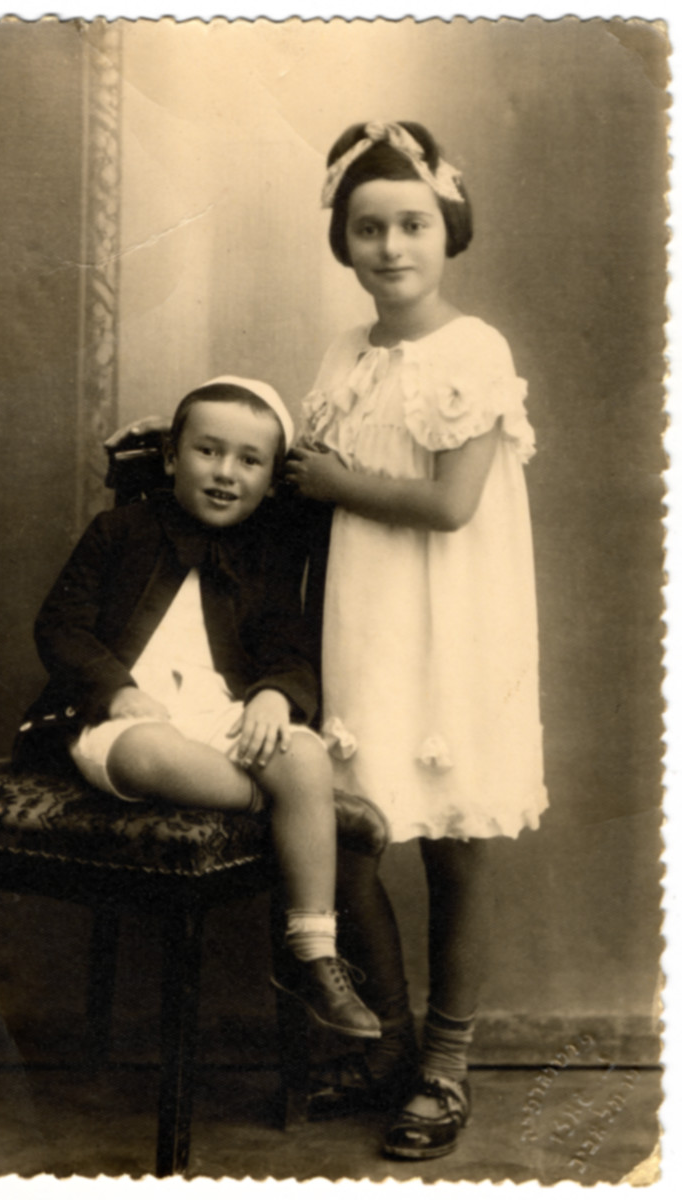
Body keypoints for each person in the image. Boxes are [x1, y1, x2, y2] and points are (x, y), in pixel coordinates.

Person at [279, 119, 549, 1160]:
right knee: (355, 835)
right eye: (367, 228)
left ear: (449, 232)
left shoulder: (474, 349)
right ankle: (387, 1042)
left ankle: (445, 1062)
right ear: (343, 243)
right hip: (365, 617)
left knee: (455, 845)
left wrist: (332, 480)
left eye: (411, 225)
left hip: (457, 618)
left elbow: (449, 504)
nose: (390, 247)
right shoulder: (344, 353)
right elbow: (312, 491)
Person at [13, 375, 382, 1043]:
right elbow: (60, 627)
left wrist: (273, 694)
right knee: (159, 751)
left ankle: (314, 952)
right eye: (208, 452)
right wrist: (115, 690)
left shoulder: (265, 554)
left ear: (272, 479)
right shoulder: (120, 530)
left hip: (218, 712)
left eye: (249, 460)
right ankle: (304, 810)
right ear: (171, 459)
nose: (225, 473)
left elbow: (288, 649)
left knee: (301, 750)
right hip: (118, 717)